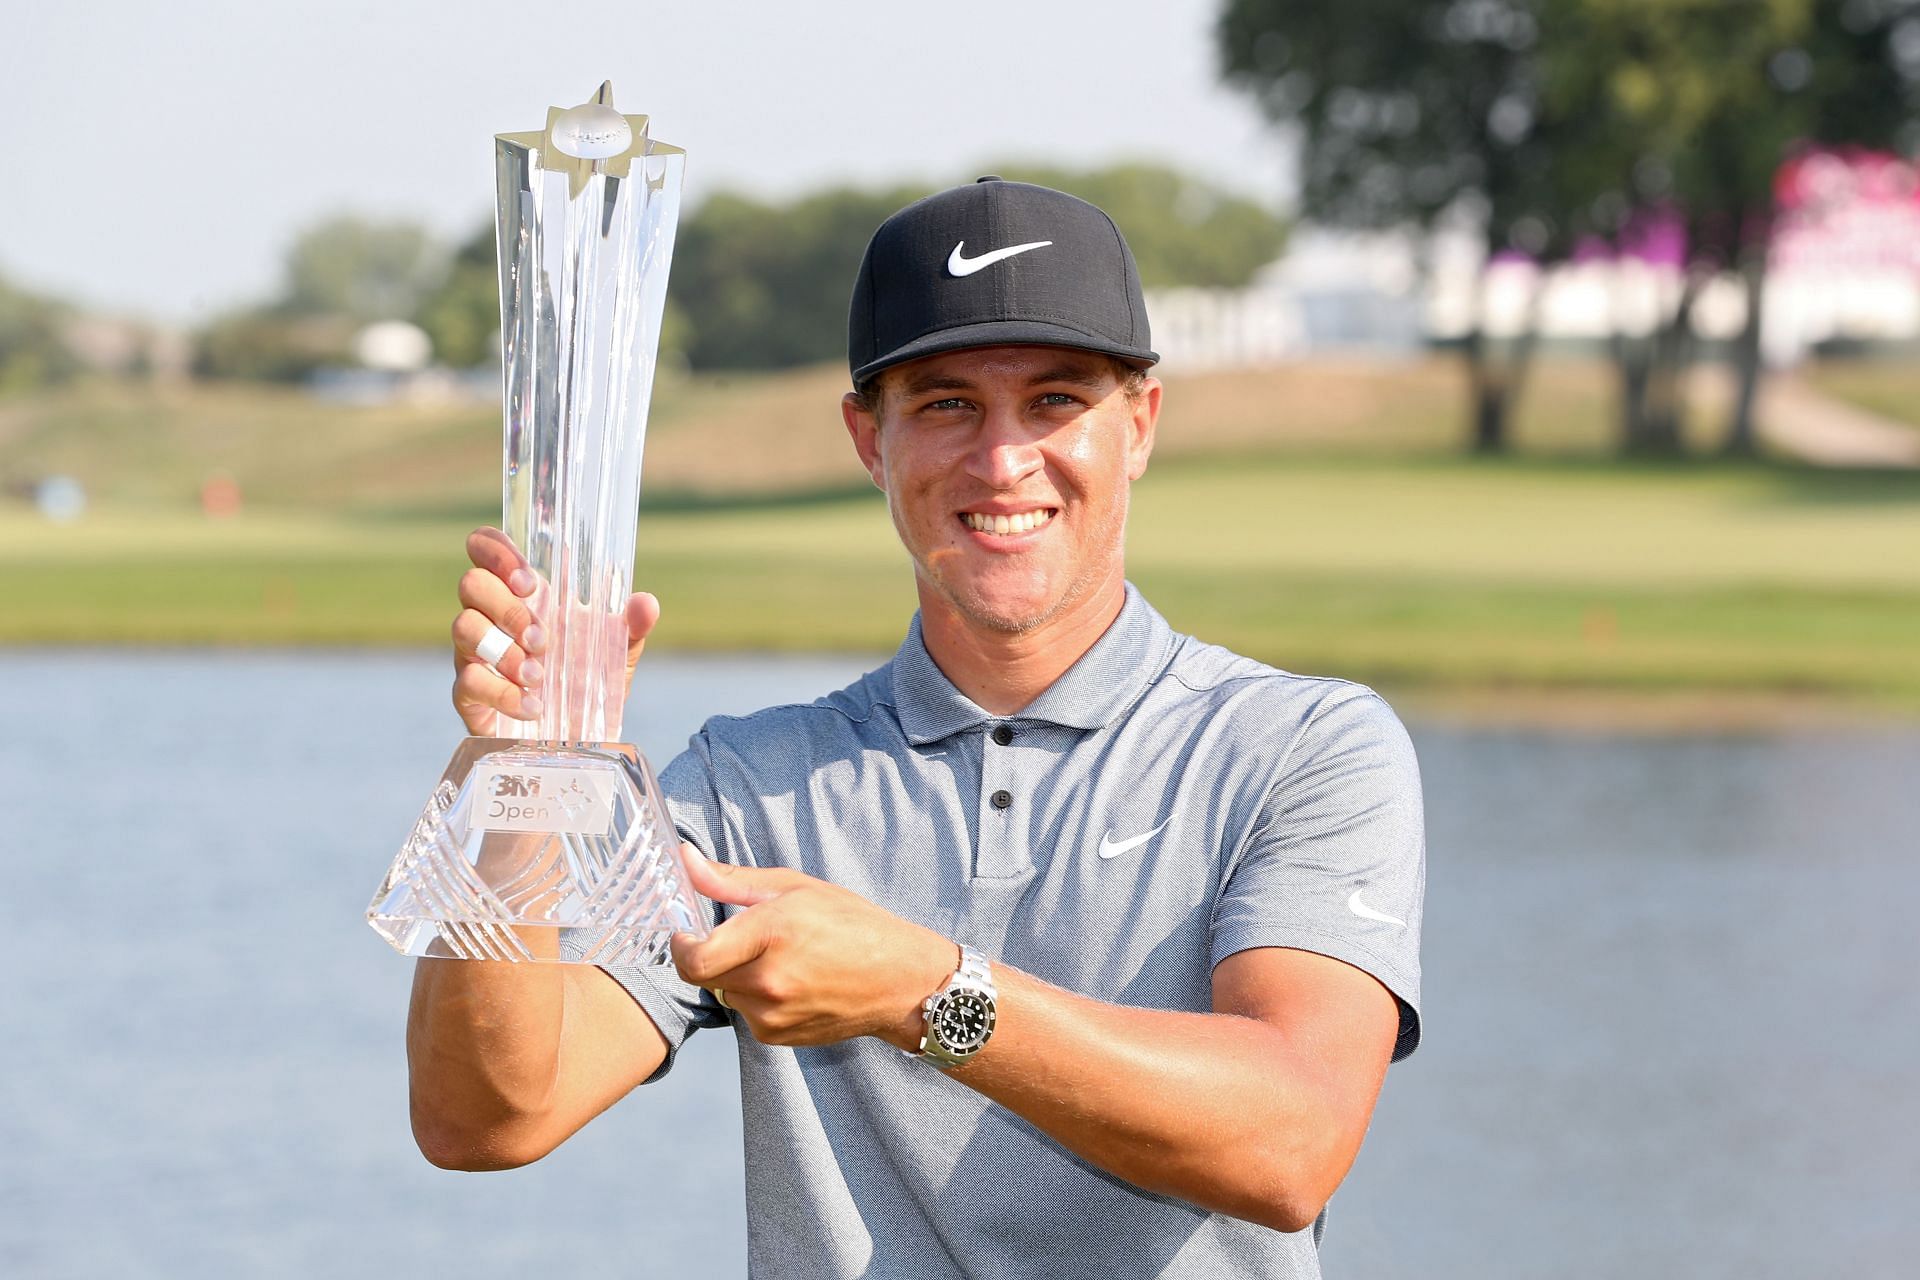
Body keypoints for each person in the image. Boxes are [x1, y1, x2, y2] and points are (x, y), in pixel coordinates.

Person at [411, 178, 1425, 1278]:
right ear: (868, 436)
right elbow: (488, 1118)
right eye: (946, 403)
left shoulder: (1303, 745)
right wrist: (518, 779)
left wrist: (923, 989)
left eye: (1055, 401)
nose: (1001, 461)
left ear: (1139, 423)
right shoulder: (749, 786)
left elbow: (1293, 1140)